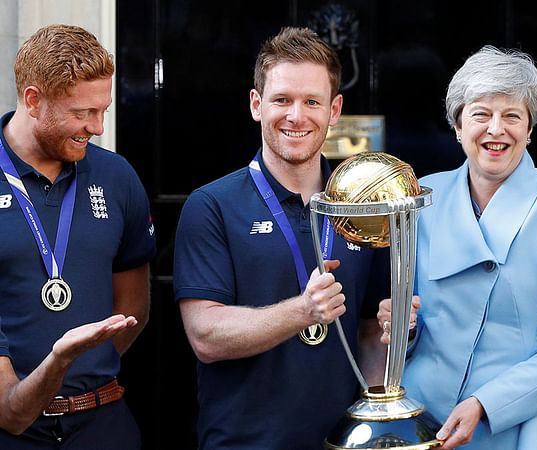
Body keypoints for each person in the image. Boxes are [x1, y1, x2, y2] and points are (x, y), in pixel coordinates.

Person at [379, 45, 537, 449]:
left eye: (512, 116)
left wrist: (486, 403)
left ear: (531, 127)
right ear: (457, 124)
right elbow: (415, 322)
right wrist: (402, 327)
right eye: (481, 114)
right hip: (426, 421)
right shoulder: (422, 198)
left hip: (529, 423)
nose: (496, 129)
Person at [172, 27, 390, 449]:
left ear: (334, 109)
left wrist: (394, 332)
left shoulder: (364, 208)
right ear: (257, 105)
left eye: (312, 101)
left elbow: (368, 332)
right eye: (282, 100)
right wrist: (302, 311)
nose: (296, 116)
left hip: (342, 442)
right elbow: (205, 336)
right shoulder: (212, 205)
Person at [0, 24, 156, 448]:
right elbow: (9, 413)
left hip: (103, 423)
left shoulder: (117, 176)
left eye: (102, 109)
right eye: (82, 113)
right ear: (33, 100)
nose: (99, 127)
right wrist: (54, 367)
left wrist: (84, 381)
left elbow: (134, 307)